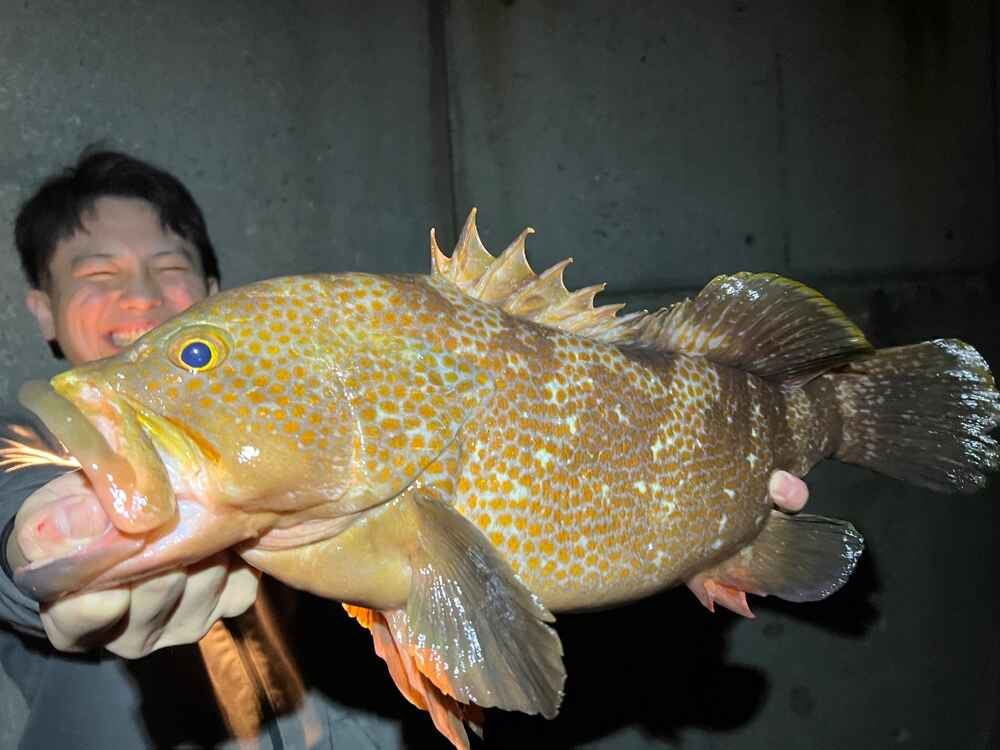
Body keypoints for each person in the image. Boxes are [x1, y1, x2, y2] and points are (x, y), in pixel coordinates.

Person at [0, 149, 809, 748]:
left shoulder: (331, 444)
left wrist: (721, 508)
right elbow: (19, 533)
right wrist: (36, 557)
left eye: (193, 342)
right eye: (96, 274)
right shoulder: (23, 449)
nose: (141, 297)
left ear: (212, 291)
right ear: (42, 309)